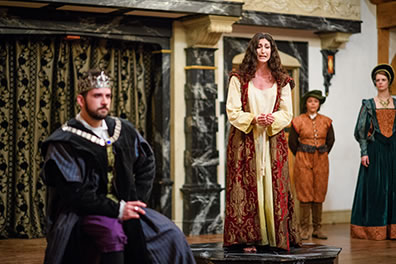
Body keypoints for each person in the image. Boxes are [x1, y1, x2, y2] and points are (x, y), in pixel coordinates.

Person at [40, 69, 196, 264]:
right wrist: (117, 210)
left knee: (171, 233)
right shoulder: (65, 140)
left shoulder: (123, 129)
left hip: (126, 205)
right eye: (97, 96)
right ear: (81, 100)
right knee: (112, 234)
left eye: (108, 96)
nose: (104, 101)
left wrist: (134, 200)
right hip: (82, 212)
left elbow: (147, 163)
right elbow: (73, 193)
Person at [223, 32, 300, 252]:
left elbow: (287, 113)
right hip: (245, 140)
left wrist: (271, 119)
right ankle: (249, 238)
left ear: (272, 51)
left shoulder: (283, 80)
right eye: (259, 47)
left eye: (267, 47)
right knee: (247, 187)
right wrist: (254, 118)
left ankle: (275, 237)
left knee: (274, 186)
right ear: (253, 50)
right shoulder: (239, 78)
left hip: (272, 139)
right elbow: (232, 110)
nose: (263, 51)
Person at [351, 63, 396, 240]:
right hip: (375, 149)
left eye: (383, 79)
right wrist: (364, 152)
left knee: (393, 188)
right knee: (376, 189)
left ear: (389, 81)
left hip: (394, 149)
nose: (380, 83)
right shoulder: (368, 104)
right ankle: (374, 229)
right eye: (377, 80)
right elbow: (360, 131)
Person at [288, 90, 335, 240]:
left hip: (321, 159)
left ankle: (317, 228)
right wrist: (302, 154)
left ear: (319, 104)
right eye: (310, 101)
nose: (313, 104)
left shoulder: (327, 121)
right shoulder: (298, 121)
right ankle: (304, 229)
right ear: (306, 104)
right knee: (305, 193)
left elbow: (331, 140)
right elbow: (292, 142)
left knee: (319, 192)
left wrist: (322, 152)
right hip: (303, 159)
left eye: (316, 101)